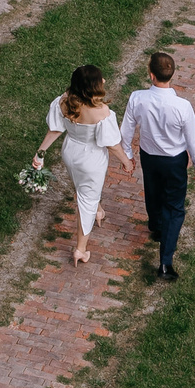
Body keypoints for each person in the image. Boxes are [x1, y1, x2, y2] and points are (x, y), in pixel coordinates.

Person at [121, 50, 195, 281]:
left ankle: (157, 226)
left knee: (153, 192)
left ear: (151, 75)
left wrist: (127, 154)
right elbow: (192, 138)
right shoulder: (182, 106)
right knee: (175, 207)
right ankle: (165, 262)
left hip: (149, 156)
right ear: (172, 75)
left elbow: (126, 130)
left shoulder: (137, 98)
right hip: (174, 160)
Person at [34, 64, 127, 263]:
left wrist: (40, 153)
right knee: (86, 201)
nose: (103, 81)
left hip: (70, 152)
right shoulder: (101, 111)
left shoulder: (64, 101)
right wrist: (126, 162)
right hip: (91, 158)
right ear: (93, 86)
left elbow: (56, 130)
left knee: (83, 187)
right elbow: (112, 144)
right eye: (100, 79)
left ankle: (99, 211)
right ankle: (80, 249)